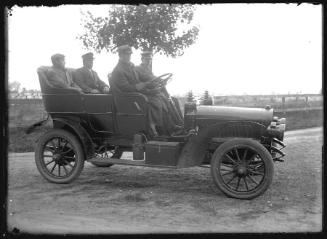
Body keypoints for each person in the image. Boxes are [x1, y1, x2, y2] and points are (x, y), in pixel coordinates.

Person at [109, 45, 169, 137]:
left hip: (135, 95)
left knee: (161, 97)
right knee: (155, 101)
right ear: (120, 55)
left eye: (129, 55)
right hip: (128, 99)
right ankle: (152, 128)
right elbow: (126, 88)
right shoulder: (118, 71)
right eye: (126, 55)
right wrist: (140, 86)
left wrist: (148, 86)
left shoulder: (130, 66)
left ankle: (165, 127)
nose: (128, 57)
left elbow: (138, 80)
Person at [135, 51, 184, 129]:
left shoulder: (148, 69)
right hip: (147, 92)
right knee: (163, 102)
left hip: (154, 91)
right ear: (142, 59)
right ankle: (166, 126)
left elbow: (154, 77)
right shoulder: (137, 69)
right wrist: (151, 86)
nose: (148, 61)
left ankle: (179, 122)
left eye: (150, 59)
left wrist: (162, 80)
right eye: (146, 59)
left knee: (174, 100)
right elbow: (139, 83)